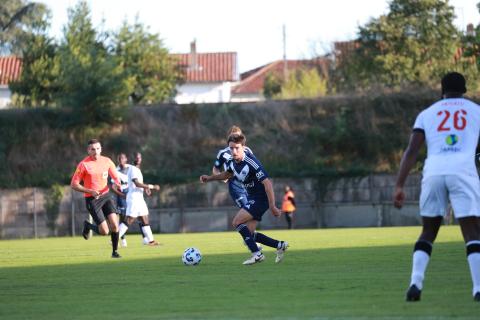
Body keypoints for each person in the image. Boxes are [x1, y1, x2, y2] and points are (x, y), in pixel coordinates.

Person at [393, 72, 480, 302]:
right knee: (472, 232)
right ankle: (478, 288)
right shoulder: (476, 111)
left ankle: (415, 283)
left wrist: (399, 185)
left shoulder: (427, 114)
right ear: (464, 90)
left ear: (442, 90)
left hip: (434, 172)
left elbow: (411, 151)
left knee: (428, 231)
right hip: (463, 171)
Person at [200, 133, 289, 265]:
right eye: (231, 148)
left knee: (236, 222)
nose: (234, 151)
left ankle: (256, 254)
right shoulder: (233, 161)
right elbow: (227, 174)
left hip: (260, 199)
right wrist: (210, 178)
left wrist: (272, 206)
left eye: (237, 148)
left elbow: (268, 184)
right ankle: (279, 245)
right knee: (250, 234)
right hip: (253, 198)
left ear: (243, 147)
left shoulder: (251, 162)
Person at [70, 139, 122, 258]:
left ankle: (114, 252)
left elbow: (115, 176)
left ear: (101, 149)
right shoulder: (84, 165)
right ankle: (88, 225)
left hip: (107, 196)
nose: (96, 151)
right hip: (92, 199)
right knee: (104, 231)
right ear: (88, 150)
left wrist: (117, 183)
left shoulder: (107, 161)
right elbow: (74, 184)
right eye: (93, 149)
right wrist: (90, 191)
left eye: (98, 148)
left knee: (115, 225)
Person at [118, 152, 161, 246]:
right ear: (132, 159)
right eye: (136, 157)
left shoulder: (137, 169)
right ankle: (115, 239)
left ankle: (151, 241)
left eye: (139, 157)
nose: (138, 159)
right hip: (134, 198)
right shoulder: (133, 169)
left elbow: (139, 183)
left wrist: (146, 188)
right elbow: (136, 183)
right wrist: (151, 186)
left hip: (139, 198)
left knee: (145, 218)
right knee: (129, 220)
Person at [212, 125, 253, 208]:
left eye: (239, 136)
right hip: (235, 185)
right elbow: (215, 168)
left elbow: (253, 166)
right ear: (229, 138)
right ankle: (237, 221)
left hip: (249, 185)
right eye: (234, 136)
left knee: (253, 212)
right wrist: (222, 177)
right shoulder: (223, 153)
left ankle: (237, 221)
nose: (237, 139)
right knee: (247, 209)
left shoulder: (247, 150)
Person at [110, 153, 130, 247]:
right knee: (121, 217)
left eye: (122, 158)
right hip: (121, 196)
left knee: (129, 217)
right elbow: (113, 187)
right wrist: (122, 195)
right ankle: (122, 239)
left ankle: (146, 238)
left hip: (130, 195)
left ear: (126, 159)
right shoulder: (116, 171)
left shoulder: (131, 169)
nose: (120, 159)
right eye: (119, 158)